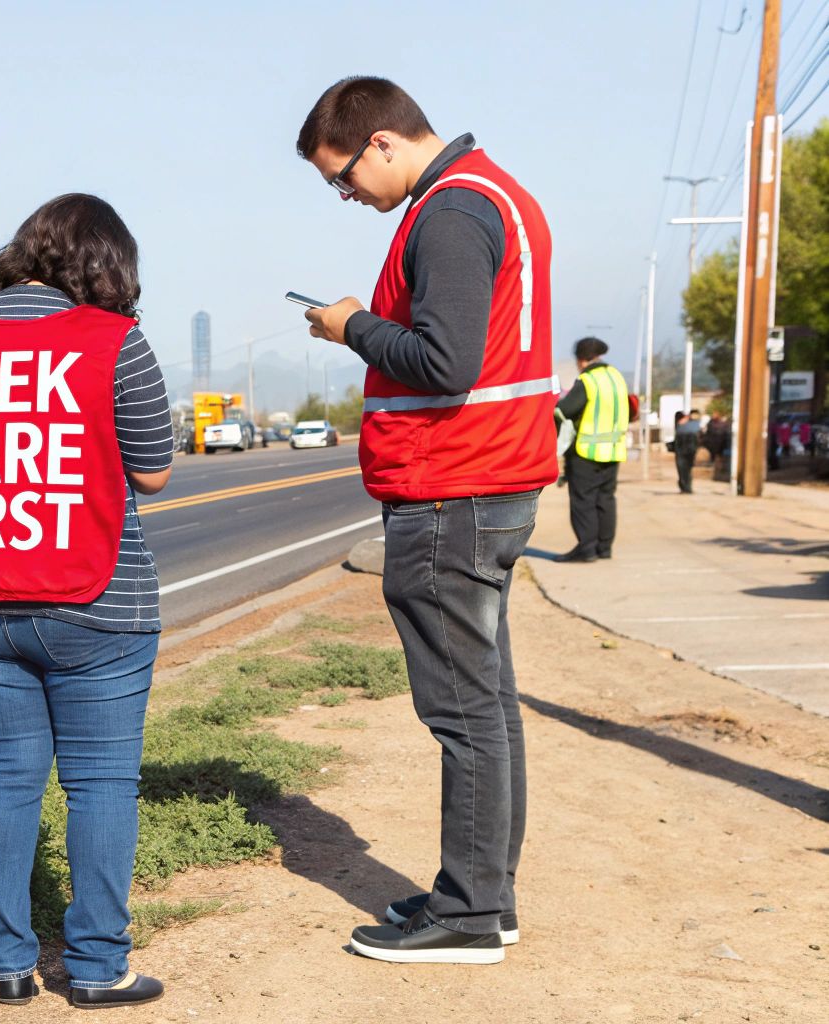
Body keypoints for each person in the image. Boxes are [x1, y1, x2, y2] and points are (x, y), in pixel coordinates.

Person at [295, 76, 555, 965]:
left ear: (378, 143)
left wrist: (351, 326)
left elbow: (444, 362)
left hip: (455, 487)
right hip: (482, 483)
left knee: (461, 711)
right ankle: (485, 895)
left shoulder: (449, 210)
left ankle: (473, 914)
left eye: (341, 179)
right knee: (485, 704)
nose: (346, 198)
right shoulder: (490, 193)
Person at [0, 193, 174, 1008]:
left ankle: (5, 964)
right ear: (107, 266)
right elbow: (154, 470)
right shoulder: (115, 341)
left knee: (7, 777)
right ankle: (96, 969)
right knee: (99, 785)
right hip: (98, 604)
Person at [556, 337, 633, 561]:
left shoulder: (588, 380)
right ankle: (604, 548)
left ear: (581, 359)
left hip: (586, 452)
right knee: (606, 499)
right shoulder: (616, 376)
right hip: (613, 449)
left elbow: (565, 410)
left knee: (583, 501)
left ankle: (586, 549)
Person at [669, 410, 701, 493]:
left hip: (687, 451)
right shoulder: (683, 426)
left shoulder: (690, 426)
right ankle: (685, 487)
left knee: (685, 470)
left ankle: (686, 487)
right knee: (684, 470)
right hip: (683, 451)